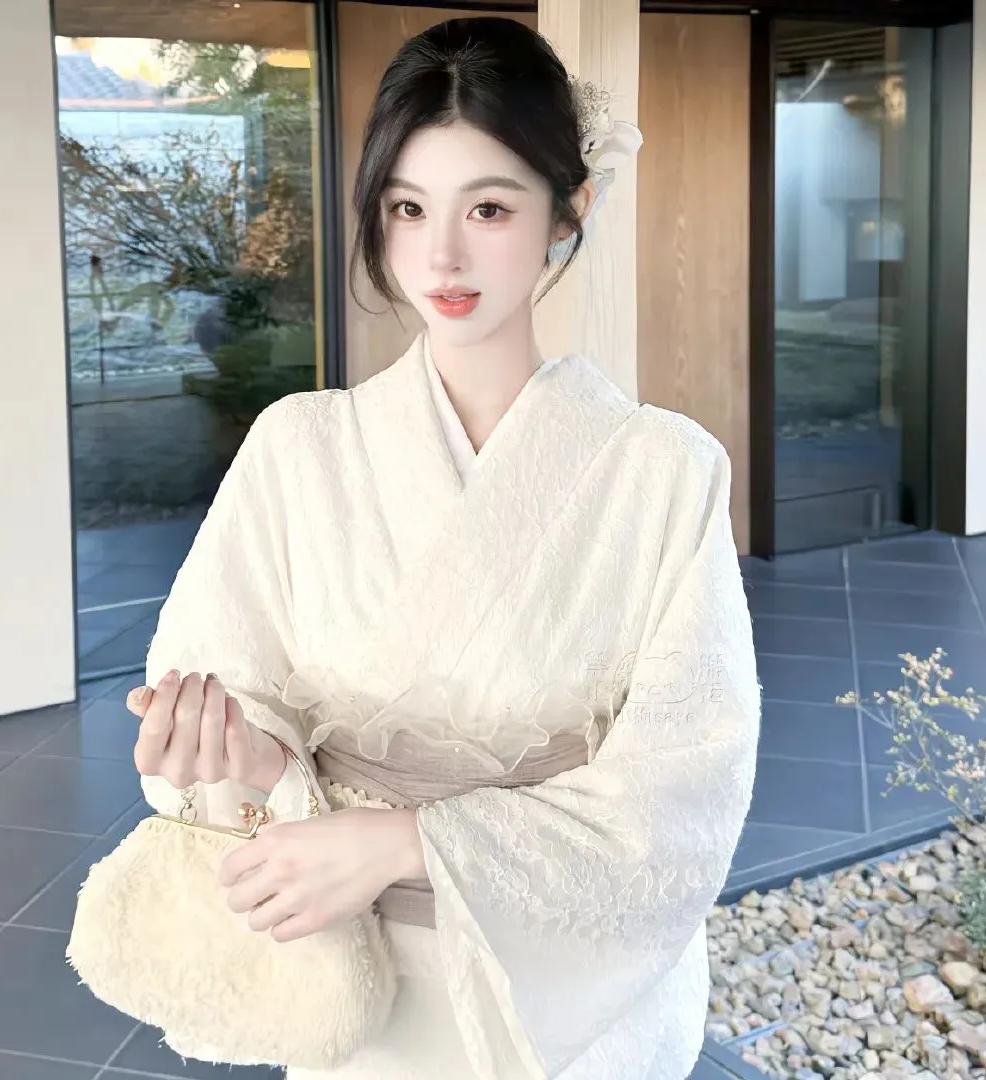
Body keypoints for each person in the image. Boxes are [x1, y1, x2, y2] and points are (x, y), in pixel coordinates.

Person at [125, 16, 760, 1080]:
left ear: (569, 210)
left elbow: (682, 789)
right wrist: (238, 753)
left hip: (564, 1002)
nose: (442, 257)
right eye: (408, 207)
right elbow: (235, 687)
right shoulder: (298, 447)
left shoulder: (663, 470)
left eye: (490, 209)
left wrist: (407, 840)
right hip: (356, 983)